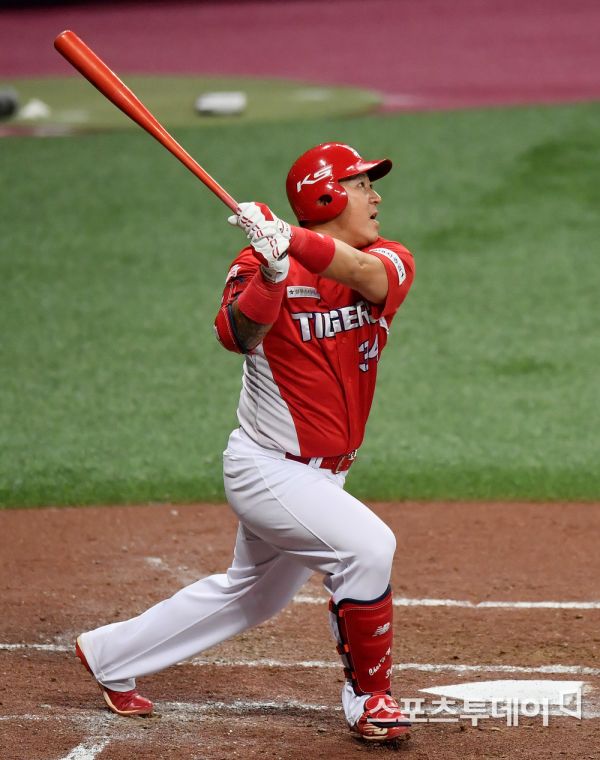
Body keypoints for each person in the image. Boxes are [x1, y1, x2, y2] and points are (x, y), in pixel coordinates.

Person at [75, 142, 416, 743]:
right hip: (268, 470)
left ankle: (110, 654)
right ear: (327, 195)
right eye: (362, 184)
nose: (375, 196)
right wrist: (273, 274)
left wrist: (291, 238)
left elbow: (366, 277)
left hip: (324, 475)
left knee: (251, 597)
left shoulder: (389, 258)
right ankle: (370, 700)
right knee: (368, 548)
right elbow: (235, 334)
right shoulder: (259, 260)